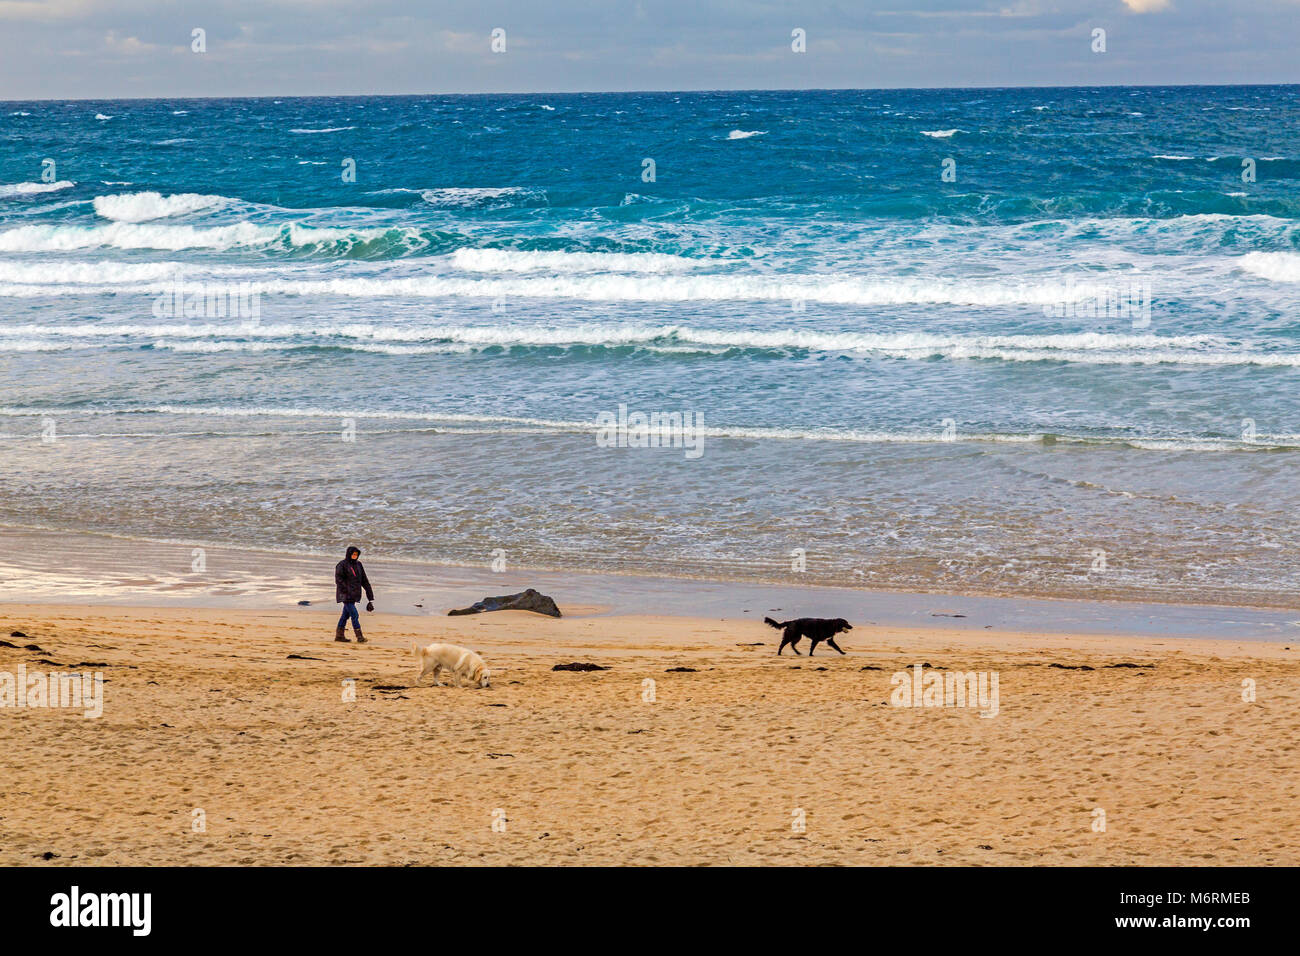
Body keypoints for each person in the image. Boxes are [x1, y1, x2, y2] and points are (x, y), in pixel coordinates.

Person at [334, 545, 375, 643]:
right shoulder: (341, 564)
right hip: (345, 595)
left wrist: (370, 596)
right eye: (353, 554)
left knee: (345, 615)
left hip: (354, 595)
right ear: (349, 554)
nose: (355, 556)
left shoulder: (359, 565)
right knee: (355, 615)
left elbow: (364, 580)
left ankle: (339, 636)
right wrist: (347, 589)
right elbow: (338, 579)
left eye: (356, 554)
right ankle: (359, 637)